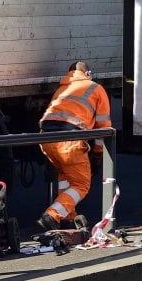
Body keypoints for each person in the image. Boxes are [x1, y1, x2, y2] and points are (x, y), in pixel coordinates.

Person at [36, 61, 111, 231]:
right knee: (81, 184)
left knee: (65, 178)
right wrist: (98, 154)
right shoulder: (95, 88)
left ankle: (67, 218)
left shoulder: (61, 88)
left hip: (46, 139)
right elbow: (103, 126)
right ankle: (53, 215)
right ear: (88, 73)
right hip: (69, 140)